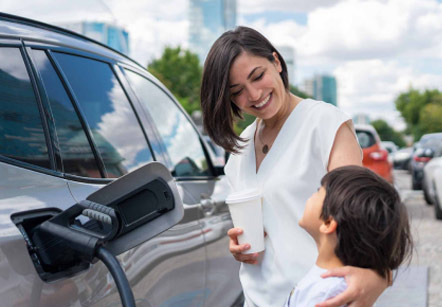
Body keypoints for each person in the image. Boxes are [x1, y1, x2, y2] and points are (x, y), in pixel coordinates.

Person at [200, 26, 389, 307]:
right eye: (237, 91)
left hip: (319, 297)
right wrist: (240, 246)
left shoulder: (324, 124)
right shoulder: (241, 147)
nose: (254, 95)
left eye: (258, 76)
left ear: (276, 62)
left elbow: (363, 219)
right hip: (257, 298)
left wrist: (377, 275)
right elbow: (267, 227)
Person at [284, 165, 413, 306]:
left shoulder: (328, 295)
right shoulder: (330, 285)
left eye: (318, 191)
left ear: (328, 223)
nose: (311, 196)